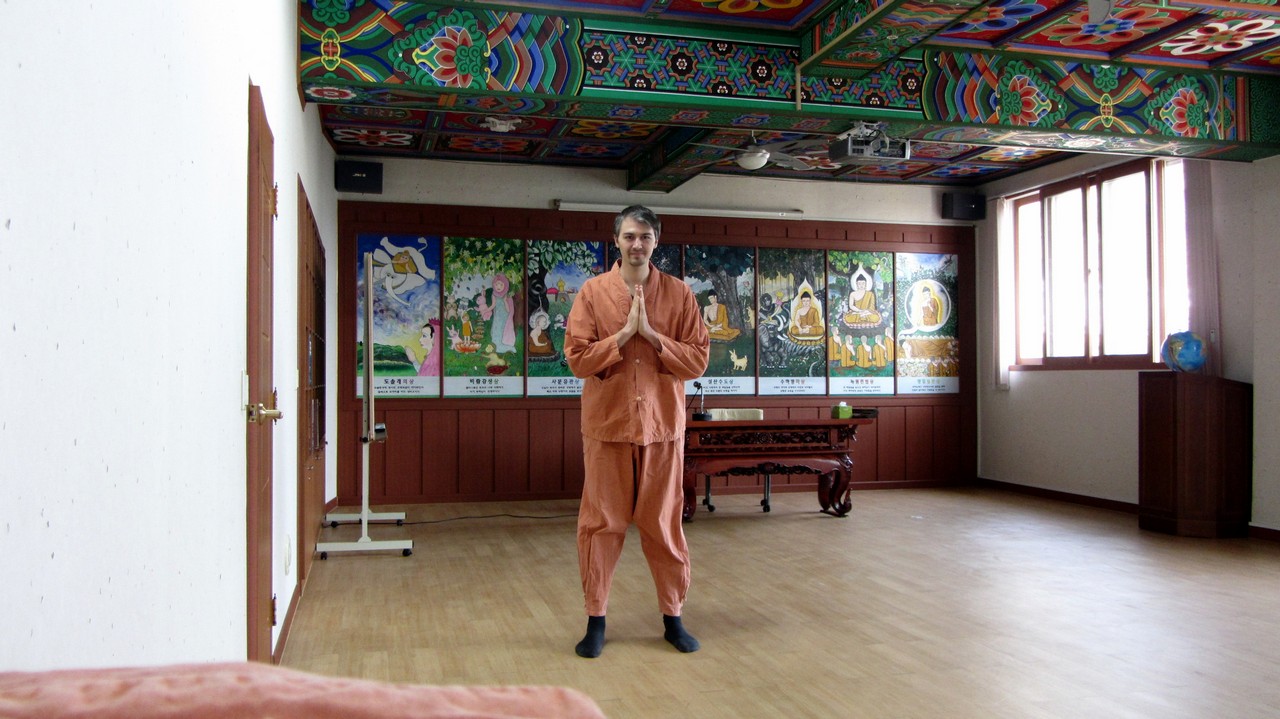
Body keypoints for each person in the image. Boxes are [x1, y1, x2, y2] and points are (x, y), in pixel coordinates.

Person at [563, 205, 710, 659]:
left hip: (662, 429)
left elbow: (698, 361)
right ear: (616, 240)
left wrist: (653, 335)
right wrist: (624, 336)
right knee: (601, 525)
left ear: (656, 241)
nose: (637, 244)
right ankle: (596, 619)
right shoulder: (592, 293)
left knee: (664, 524)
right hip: (606, 428)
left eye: (645, 237)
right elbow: (577, 359)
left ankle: (673, 617)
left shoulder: (679, 294)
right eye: (629, 236)